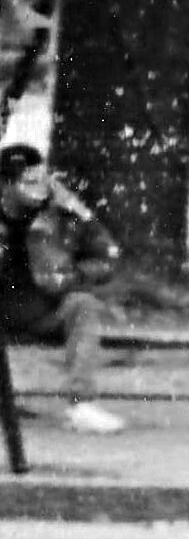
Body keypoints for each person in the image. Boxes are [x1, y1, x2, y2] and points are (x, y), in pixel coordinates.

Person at [0, 142, 127, 433]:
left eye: (41, 179)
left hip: (46, 308)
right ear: (5, 184)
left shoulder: (64, 209)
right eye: (28, 182)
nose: (39, 189)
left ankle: (81, 406)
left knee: (83, 305)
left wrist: (74, 276)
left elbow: (108, 254)